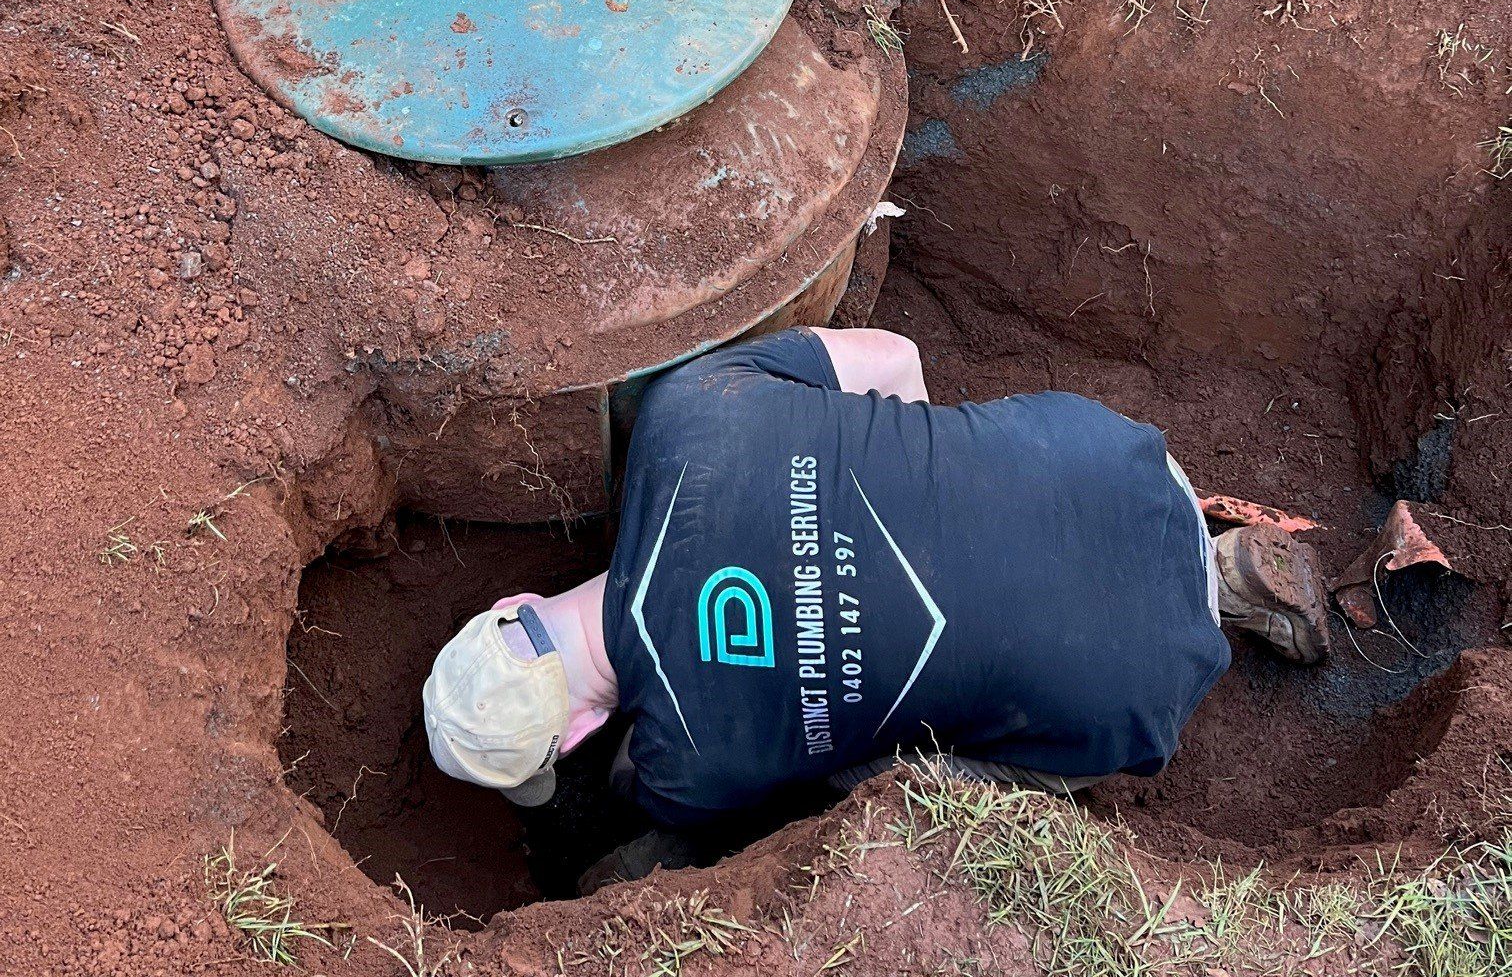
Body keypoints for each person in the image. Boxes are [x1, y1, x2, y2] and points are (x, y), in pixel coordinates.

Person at [423, 327, 1329, 869]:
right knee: (954, 463)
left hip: (1136, 691)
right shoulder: (685, 411)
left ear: (578, 735)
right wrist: (913, 477)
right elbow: (895, 358)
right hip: (1111, 458)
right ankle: (1207, 556)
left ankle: (1214, 602)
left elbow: (659, 796)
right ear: (517, 596)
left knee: (855, 778)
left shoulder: (692, 765)